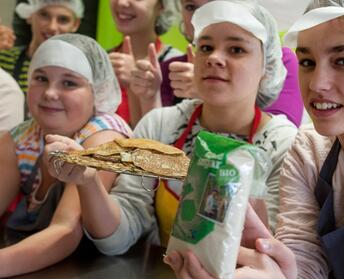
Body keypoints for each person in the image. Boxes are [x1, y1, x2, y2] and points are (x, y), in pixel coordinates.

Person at [48, 0, 297, 256]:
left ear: (266, 68)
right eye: (206, 47)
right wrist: (88, 181)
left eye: (236, 49)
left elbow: (275, 252)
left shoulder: (283, 144)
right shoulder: (160, 126)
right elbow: (117, 238)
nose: (214, 58)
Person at [165, 0, 344, 279]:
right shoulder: (309, 151)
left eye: (343, 61)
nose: (317, 83)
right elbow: (302, 261)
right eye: (307, 62)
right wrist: (272, 272)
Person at [0, 33, 131, 278]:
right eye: (41, 78)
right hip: (42, 272)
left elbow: (65, 230)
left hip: (103, 277)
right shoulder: (21, 137)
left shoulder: (105, 136)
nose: (50, 93)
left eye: (69, 83)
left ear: (97, 92)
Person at [129, 0, 304, 127]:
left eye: (236, 50)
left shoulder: (279, 61)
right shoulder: (169, 69)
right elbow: (152, 147)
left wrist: (211, 95)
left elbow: (277, 137)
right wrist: (148, 96)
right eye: (191, 7)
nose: (203, 15)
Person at [108, 0, 182, 125]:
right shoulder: (98, 60)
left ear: (162, 5)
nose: (122, 3)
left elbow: (161, 140)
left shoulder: (177, 67)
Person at [0, 0, 83, 97]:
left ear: (75, 24)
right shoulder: (4, 58)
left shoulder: (82, 69)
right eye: (44, 15)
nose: (52, 27)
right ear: (30, 16)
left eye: (63, 19)